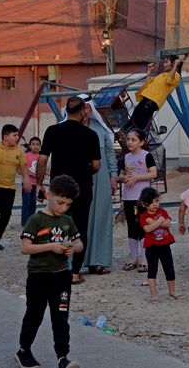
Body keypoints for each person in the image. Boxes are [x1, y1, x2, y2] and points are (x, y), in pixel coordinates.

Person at [15, 175, 82, 368]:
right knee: (34, 314)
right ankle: (23, 351)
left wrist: (71, 248)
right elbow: (25, 248)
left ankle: (62, 357)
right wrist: (50, 247)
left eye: (68, 204)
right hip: (39, 276)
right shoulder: (36, 219)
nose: (63, 208)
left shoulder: (67, 221)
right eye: (60, 203)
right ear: (49, 194)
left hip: (61, 276)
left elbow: (79, 243)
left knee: (60, 315)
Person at [37, 96, 101, 285]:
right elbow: (96, 165)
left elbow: (42, 160)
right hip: (81, 188)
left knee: (55, 227)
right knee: (80, 228)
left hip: (59, 188)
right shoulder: (90, 135)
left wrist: (40, 184)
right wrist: (83, 170)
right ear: (82, 112)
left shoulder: (52, 131)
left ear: (66, 111)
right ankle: (74, 273)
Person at [82, 99, 118, 275]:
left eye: (88, 107)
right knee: (81, 218)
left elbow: (110, 153)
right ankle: (77, 261)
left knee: (101, 218)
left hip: (102, 178)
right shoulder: (70, 128)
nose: (86, 111)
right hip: (79, 178)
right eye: (83, 107)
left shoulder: (100, 128)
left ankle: (98, 260)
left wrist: (113, 175)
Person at [118, 128, 156, 272]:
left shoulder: (147, 156)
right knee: (132, 227)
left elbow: (153, 173)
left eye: (133, 139)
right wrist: (124, 178)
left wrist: (137, 178)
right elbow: (120, 175)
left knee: (143, 226)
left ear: (141, 142)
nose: (129, 142)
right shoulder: (125, 158)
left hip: (142, 198)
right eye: (128, 139)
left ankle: (145, 258)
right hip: (128, 197)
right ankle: (133, 257)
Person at [138, 187, 178, 302]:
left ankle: (172, 291)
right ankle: (154, 295)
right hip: (152, 247)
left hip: (165, 245)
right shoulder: (143, 216)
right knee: (152, 271)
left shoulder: (163, 211)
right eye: (151, 202)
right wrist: (160, 221)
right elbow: (148, 229)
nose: (155, 204)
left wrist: (156, 222)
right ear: (144, 204)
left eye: (156, 201)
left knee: (169, 269)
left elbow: (168, 223)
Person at [124, 56, 182, 133]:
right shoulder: (162, 75)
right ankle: (123, 132)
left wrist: (175, 65)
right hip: (147, 98)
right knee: (135, 117)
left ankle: (136, 136)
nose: (164, 64)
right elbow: (149, 83)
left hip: (153, 100)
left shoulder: (176, 75)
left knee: (142, 119)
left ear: (173, 64)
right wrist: (149, 71)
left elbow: (169, 80)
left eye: (166, 62)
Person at [21, 136, 41, 226]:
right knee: (26, 203)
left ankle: (31, 222)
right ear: (29, 145)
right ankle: (24, 223)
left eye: (37, 144)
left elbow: (42, 170)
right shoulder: (25, 156)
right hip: (27, 183)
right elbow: (20, 169)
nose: (35, 146)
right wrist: (28, 174)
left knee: (33, 203)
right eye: (33, 144)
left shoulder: (41, 157)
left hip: (36, 185)